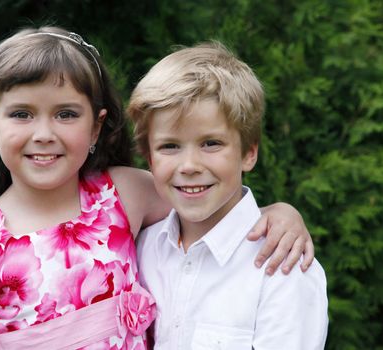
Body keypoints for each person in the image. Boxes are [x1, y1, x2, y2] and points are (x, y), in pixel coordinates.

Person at [0, 26, 315, 349]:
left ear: (96, 127)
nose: (44, 134)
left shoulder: (122, 195)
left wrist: (279, 214)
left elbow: (212, 206)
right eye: (21, 114)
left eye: (66, 114)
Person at [130, 41, 328, 349]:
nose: (190, 166)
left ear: (249, 153)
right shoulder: (140, 249)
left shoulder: (282, 267)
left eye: (211, 143)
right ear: (148, 157)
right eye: (169, 146)